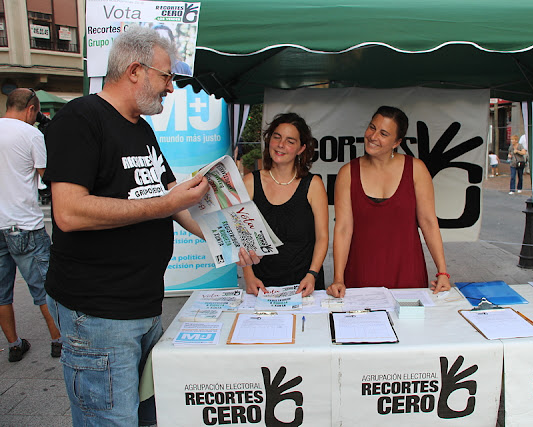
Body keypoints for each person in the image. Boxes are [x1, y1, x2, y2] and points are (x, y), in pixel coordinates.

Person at [43, 27, 258, 426]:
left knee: (145, 417)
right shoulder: (80, 119)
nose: (171, 88)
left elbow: (173, 202)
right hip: (98, 314)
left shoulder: (140, 128)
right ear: (135, 70)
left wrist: (232, 241)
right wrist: (165, 202)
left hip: (141, 307)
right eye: (166, 77)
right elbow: (69, 213)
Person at [327, 106, 451, 298]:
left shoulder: (416, 169)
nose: (373, 136)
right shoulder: (347, 173)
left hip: (407, 272)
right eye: (372, 127)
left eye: (383, 133)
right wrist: (338, 278)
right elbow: (343, 228)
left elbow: (428, 222)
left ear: (397, 142)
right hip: (360, 272)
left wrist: (442, 272)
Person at [0, 88, 62, 362]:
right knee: (45, 287)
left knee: (2, 293)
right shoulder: (31, 134)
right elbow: (47, 177)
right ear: (31, 109)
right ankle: (58, 340)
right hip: (24, 224)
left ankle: (14, 345)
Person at [242, 113, 329, 297]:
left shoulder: (313, 184)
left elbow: (322, 237)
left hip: (305, 287)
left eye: (290, 141)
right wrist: (248, 276)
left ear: (301, 149)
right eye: (277, 137)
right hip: (261, 288)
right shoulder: (250, 182)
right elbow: (241, 238)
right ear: (269, 140)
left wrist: (312, 274)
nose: (281, 145)